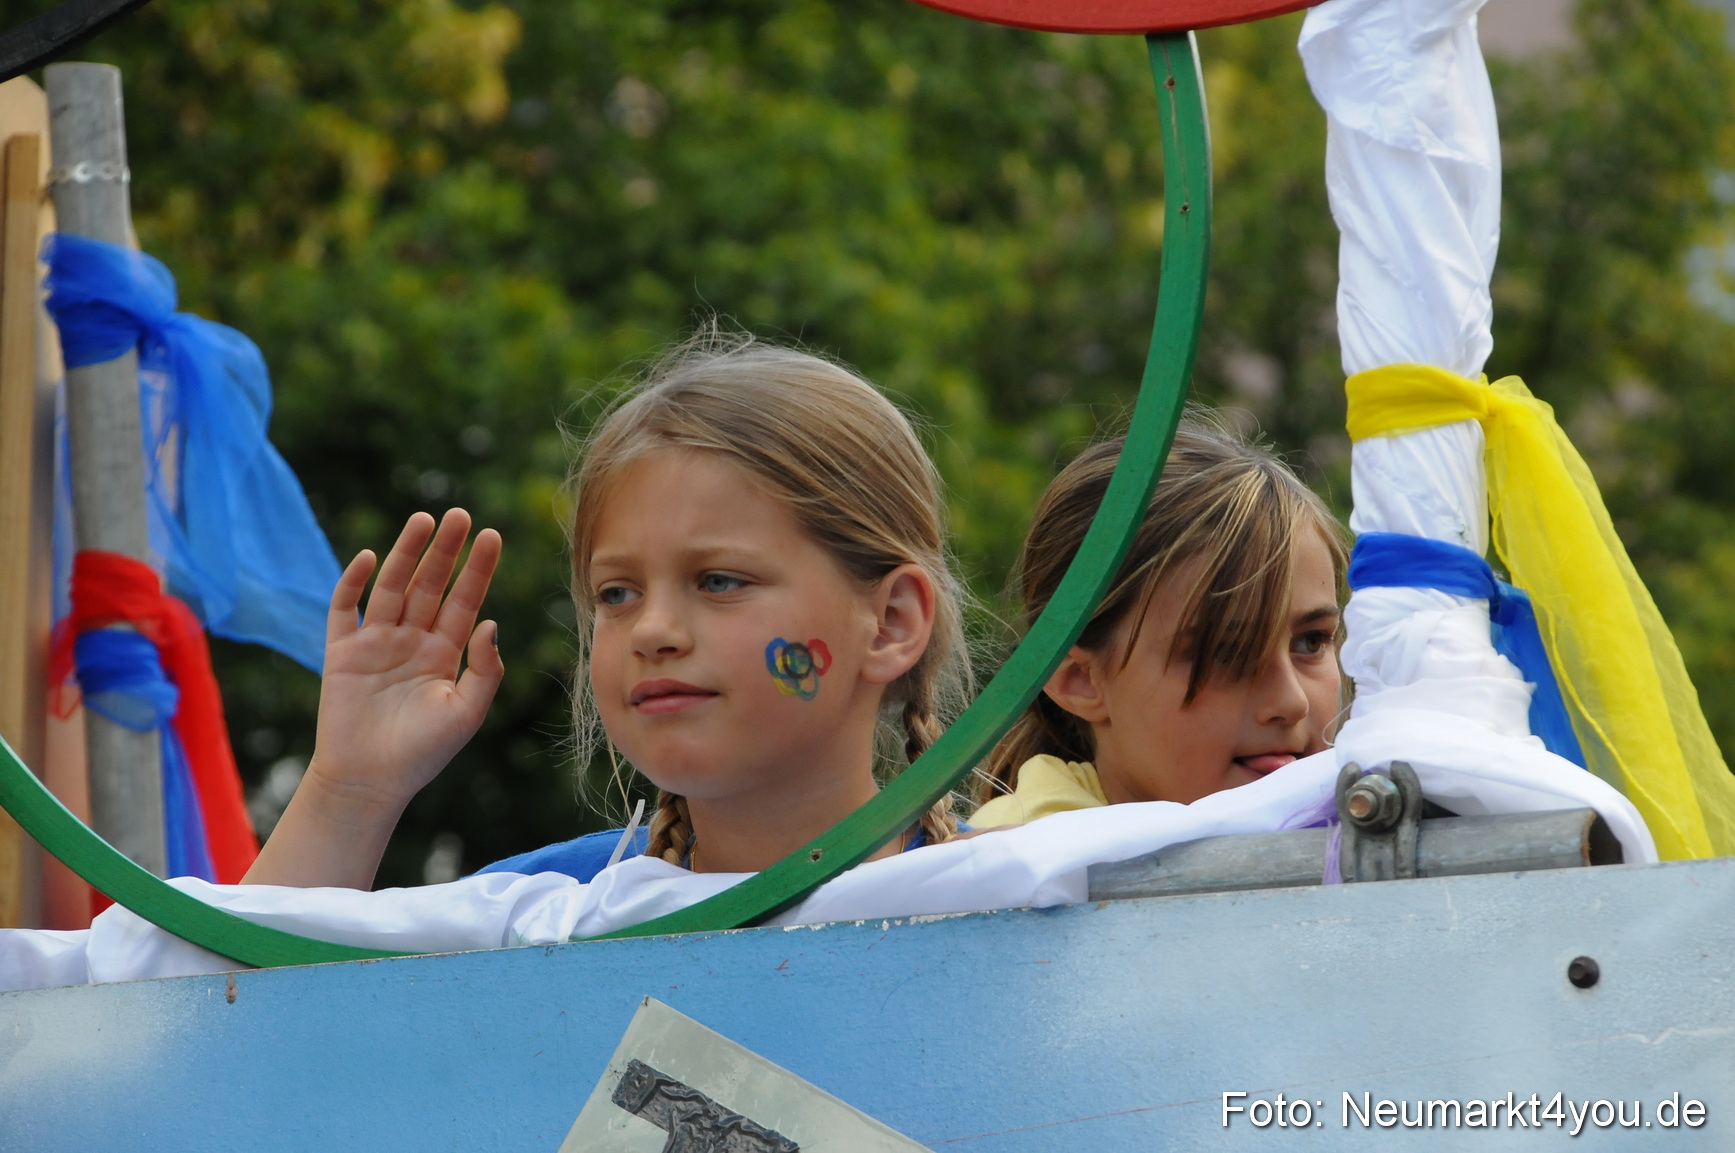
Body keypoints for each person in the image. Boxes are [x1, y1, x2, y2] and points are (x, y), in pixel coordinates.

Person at [244, 333, 969, 890]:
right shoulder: (538, 915)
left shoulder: (1018, 904)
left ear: (892, 622)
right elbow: (217, 1051)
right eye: (616, 594)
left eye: (718, 581)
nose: (651, 630)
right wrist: (352, 788)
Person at [972, 414, 1348, 828]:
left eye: (1311, 642)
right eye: (1224, 651)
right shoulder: (1012, 873)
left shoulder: (1387, 825)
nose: (1292, 702)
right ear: (1078, 678)